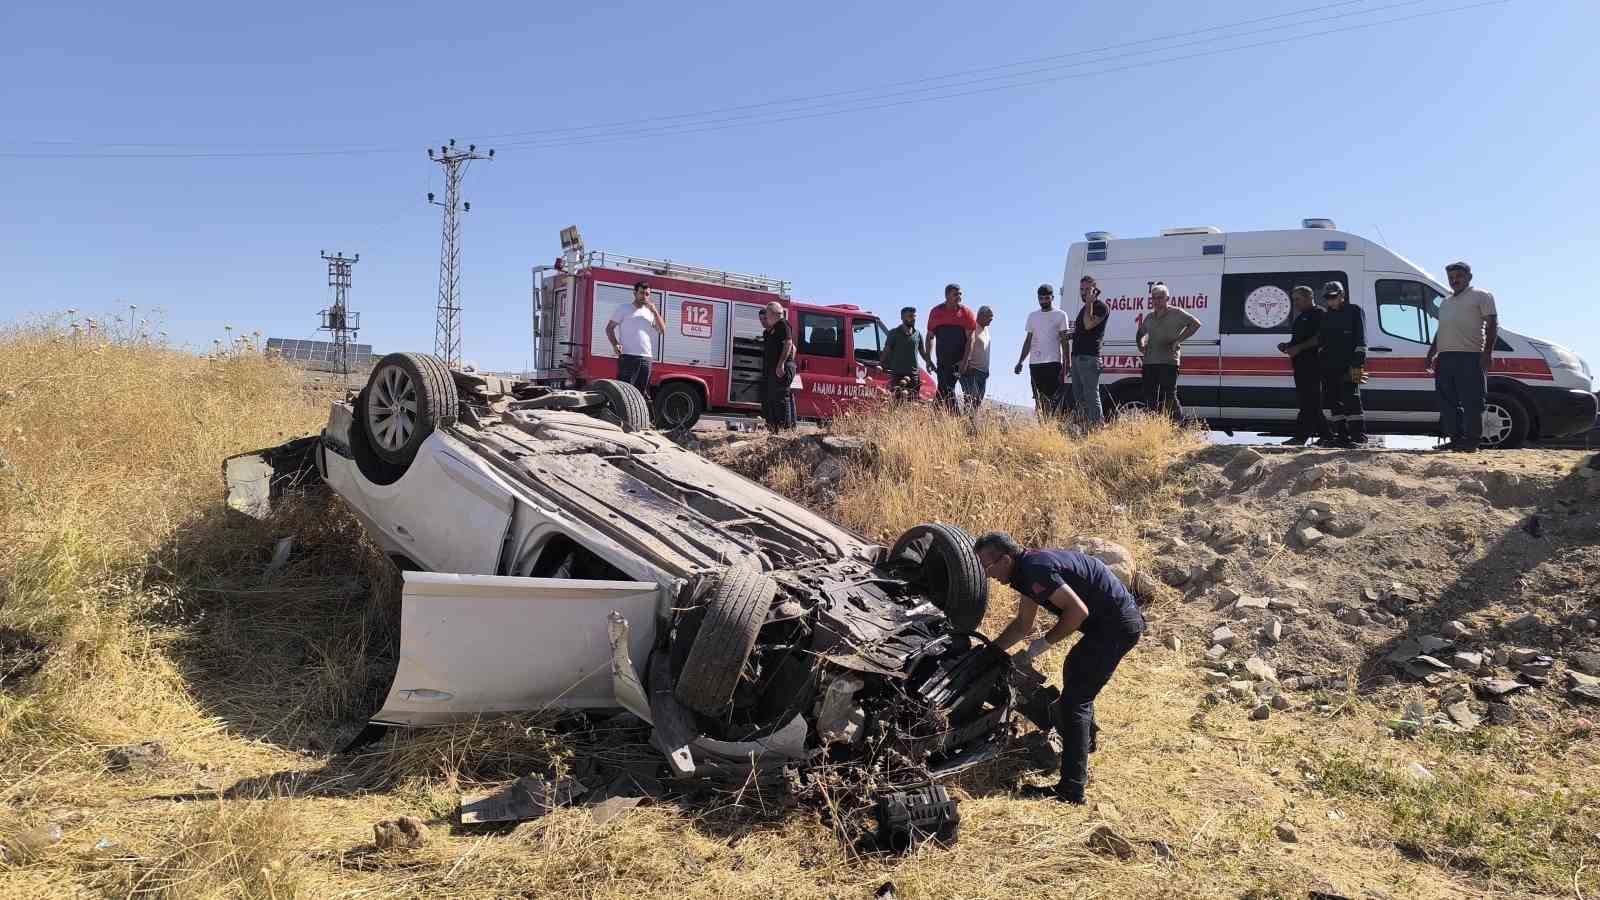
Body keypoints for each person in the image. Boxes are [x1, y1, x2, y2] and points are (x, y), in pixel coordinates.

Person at [973, 531, 1145, 805]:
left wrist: (1038, 648)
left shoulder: (1034, 569)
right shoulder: (1025, 571)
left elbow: (1077, 613)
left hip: (1116, 627)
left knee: (1076, 700)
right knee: (1077, 683)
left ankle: (1071, 790)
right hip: (1109, 625)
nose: (986, 574)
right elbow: (1022, 625)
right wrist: (990, 653)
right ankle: (1081, 751)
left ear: (1004, 559)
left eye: (986, 566)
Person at [1426, 261, 1498, 452]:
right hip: (1445, 358)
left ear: (1469, 277)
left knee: (1472, 401)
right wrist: (1432, 352)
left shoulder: (1481, 296)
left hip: (1471, 357)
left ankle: (1472, 441)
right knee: (1447, 402)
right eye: (1451, 278)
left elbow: (1492, 325)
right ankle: (1456, 439)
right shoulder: (1446, 302)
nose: (1454, 280)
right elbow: (1442, 329)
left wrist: (1487, 353)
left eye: (1458, 276)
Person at [1134, 283, 1200, 419]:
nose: (1156, 301)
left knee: (1169, 395)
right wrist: (1141, 345)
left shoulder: (1177, 313)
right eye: (1154, 298)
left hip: (1169, 361)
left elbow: (1195, 324)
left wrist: (1178, 340)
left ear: (1167, 298)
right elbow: (1140, 333)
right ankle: (1153, 426)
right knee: (1149, 395)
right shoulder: (1150, 317)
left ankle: (1178, 424)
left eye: (1160, 297)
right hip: (1150, 361)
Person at [1276, 285, 1333, 445]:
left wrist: (1298, 348)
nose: (1295, 303)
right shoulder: (1301, 317)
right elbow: (1298, 341)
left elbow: (1320, 338)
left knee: (1310, 402)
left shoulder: (1319, 314)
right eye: (1293, 300)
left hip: (1314, 365)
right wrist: (1287, 345)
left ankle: (1300, 437)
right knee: (1309, 402)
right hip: (1300, 366)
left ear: (1309, 297)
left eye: (1298, 299)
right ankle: (1327, 436)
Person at [1317, 280, 1368, 447]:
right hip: (1329, 366)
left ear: (1342, 295)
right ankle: (1341, 437)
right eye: (1327, 297)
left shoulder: (1354, 311)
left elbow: (1361, 340)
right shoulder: (1326, 316)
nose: (1330, 300)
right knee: (1334, 402)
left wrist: (1358, 364)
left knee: (1351, 401)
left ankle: (1358, 437)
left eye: (1333, 296)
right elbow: (1322, 342)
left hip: (1349, 365)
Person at [1014, 284, 1070, 418]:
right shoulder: (1032, 316)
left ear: (1052, 297)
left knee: (1053, 399)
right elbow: (1028, 340)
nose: (1044, 301)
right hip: (1035, 364)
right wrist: (1020, 361)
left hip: (1053, 363)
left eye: (1046, 298)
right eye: (1041, 298)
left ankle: (1053, 428)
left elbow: (1064, 340)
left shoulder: (1061, 315)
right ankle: (1043, 427)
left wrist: (1067, 363)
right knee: (1038, 399)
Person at [605, 281, 666, 398]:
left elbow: (662, 331)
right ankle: (622, 415)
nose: (645, 296)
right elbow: (609, 328)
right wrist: (615, 344)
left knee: (640, 394)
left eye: (647, 294)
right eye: (642, 293)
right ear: (634, 293)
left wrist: (655, 311)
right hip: (628, 356)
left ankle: (637, 415)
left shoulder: (650, 312)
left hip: (646, 357)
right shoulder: (623, 308)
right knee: (624, 392)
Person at [926, 284, 978, 411]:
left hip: (958, 361)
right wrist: (928, 359)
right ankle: (940, 421)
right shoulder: (936, 312)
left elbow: (971, 339)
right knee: (944, 389)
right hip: (942, 360)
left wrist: (965, 361)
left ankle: (950, 419)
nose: (959, 297)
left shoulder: (966, 313)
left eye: (960, 294)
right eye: (955, 294)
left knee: (946, 388)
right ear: (947, 295)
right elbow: (930, 337)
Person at [1068, 276, 1110, 427]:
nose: (1084, 293)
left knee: (1091, 395)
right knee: (1079, 397)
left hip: (1090, 358)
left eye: (1088, 289)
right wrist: (1071, 335)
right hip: (1077, 358)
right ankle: (1086, 429)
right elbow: (1084, 331)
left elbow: (1088, 324)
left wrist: (1090, 303)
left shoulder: (1100, 307)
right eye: (1082, 289)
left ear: (1095, 289)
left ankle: (1098, 428)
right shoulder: (1085, 308)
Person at [880, 306, 932, 402]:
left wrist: (929, 362)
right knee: (897, 403)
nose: (913, 319)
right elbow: (886, 351)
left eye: (914, 316)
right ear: (902, 318)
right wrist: (881, 365)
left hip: (914, 376)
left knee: (912, 403)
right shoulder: (894, 333)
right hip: (898, 375)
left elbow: (922, 352)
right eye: (910, 316)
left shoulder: (918, 334)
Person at [759, 301, 797, 431]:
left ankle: (784, 429)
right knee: (772, 398)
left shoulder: (782, 324)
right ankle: (774, 428)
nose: (766, 317)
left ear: (773, 313)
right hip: (774, 368)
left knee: (780, 398)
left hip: (781, 367)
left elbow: (789, 344)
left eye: (768, 313)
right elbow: (793, 348)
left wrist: (782, 364)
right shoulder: (772, 329)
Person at [960, 306, 994, 415]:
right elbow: (967, 344)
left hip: (983, 372)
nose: (992, 319)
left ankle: (971, 427)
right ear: (981, 316)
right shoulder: (972, 326)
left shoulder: (986, 330)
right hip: (972, 371)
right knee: (971, 400)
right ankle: (966, 427)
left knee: (977, 402)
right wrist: (967, 363)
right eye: (990, 316)